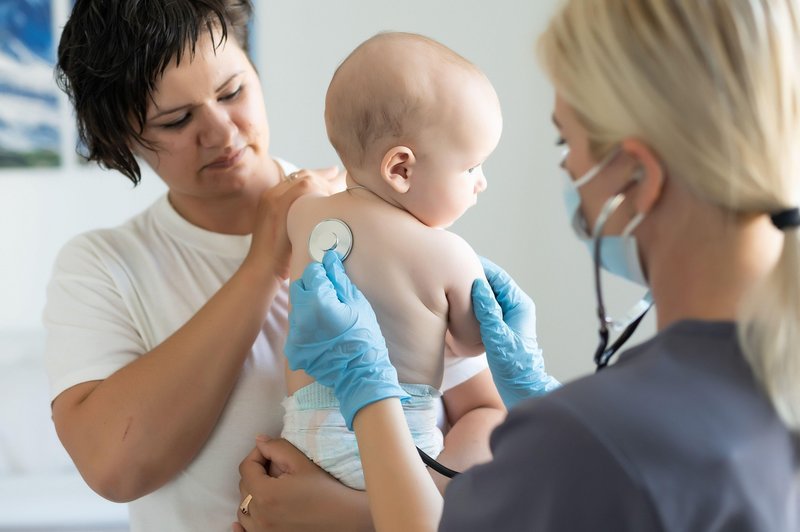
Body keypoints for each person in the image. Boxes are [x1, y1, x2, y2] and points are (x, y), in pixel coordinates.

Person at [257, 0, 800, 530]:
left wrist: (367, 402)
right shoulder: (759, 396)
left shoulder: (591, 442)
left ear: (636, 176)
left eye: (567, 139)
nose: (564, 165)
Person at [44, 1, 509, 531]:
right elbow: (114, 467)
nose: (222, 132)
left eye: (232, 92)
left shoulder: (379, 213)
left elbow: (487, 415)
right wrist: (262, 264)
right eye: (177, 120)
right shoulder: (101, 267)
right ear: (121, 140)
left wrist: (371, 513)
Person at [278, 32, 555, 491]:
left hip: (305, 439)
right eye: (471, 167)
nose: (480, 183)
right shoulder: (450, 255)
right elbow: (469, 343)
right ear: (401, 169)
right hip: (402, 445)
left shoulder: (305, 214)